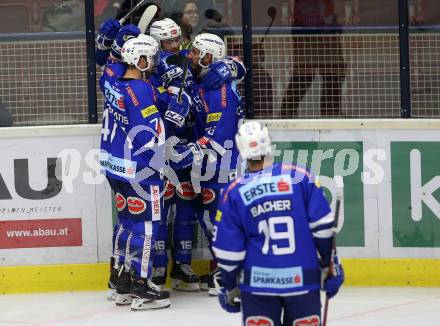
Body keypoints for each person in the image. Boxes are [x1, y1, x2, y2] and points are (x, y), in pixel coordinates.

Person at [212, 121, 344, 325]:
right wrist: (330, 265)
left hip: (257, 285)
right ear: (268, 143)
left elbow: (229, 252)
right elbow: (323, 227)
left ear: (240, 148)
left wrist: (228, 285)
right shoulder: (301, 177)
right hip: (304, 281)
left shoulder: (235, 191)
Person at [99, 34, 190, 310]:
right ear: (138, 60)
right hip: (140, 169)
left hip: (115, 167)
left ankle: (121, 280)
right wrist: (170, 159)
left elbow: (111, 68)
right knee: (147, 227)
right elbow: (150, 137)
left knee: (126, 222)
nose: (152, 64)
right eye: (148, 59)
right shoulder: (140, 90)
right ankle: (142, 284)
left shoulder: (113, 83)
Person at [172, 33, 244, 295]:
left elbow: (216, 137)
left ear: (208, 57)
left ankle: (230, 274)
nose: (189, 56)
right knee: (206, 218)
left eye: (195, 52)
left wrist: (183, 152)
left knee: (219, 220)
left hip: (222, 165)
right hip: (207, 165)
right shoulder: (202, 81)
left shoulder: (221, 91)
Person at [281, 0, 346, 118]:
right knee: (304, 74)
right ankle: (286, 114)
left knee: (332, 74)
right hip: (306, 33)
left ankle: (331, 115)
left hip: (324, 32)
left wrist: (334, 24)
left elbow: (334, 18)